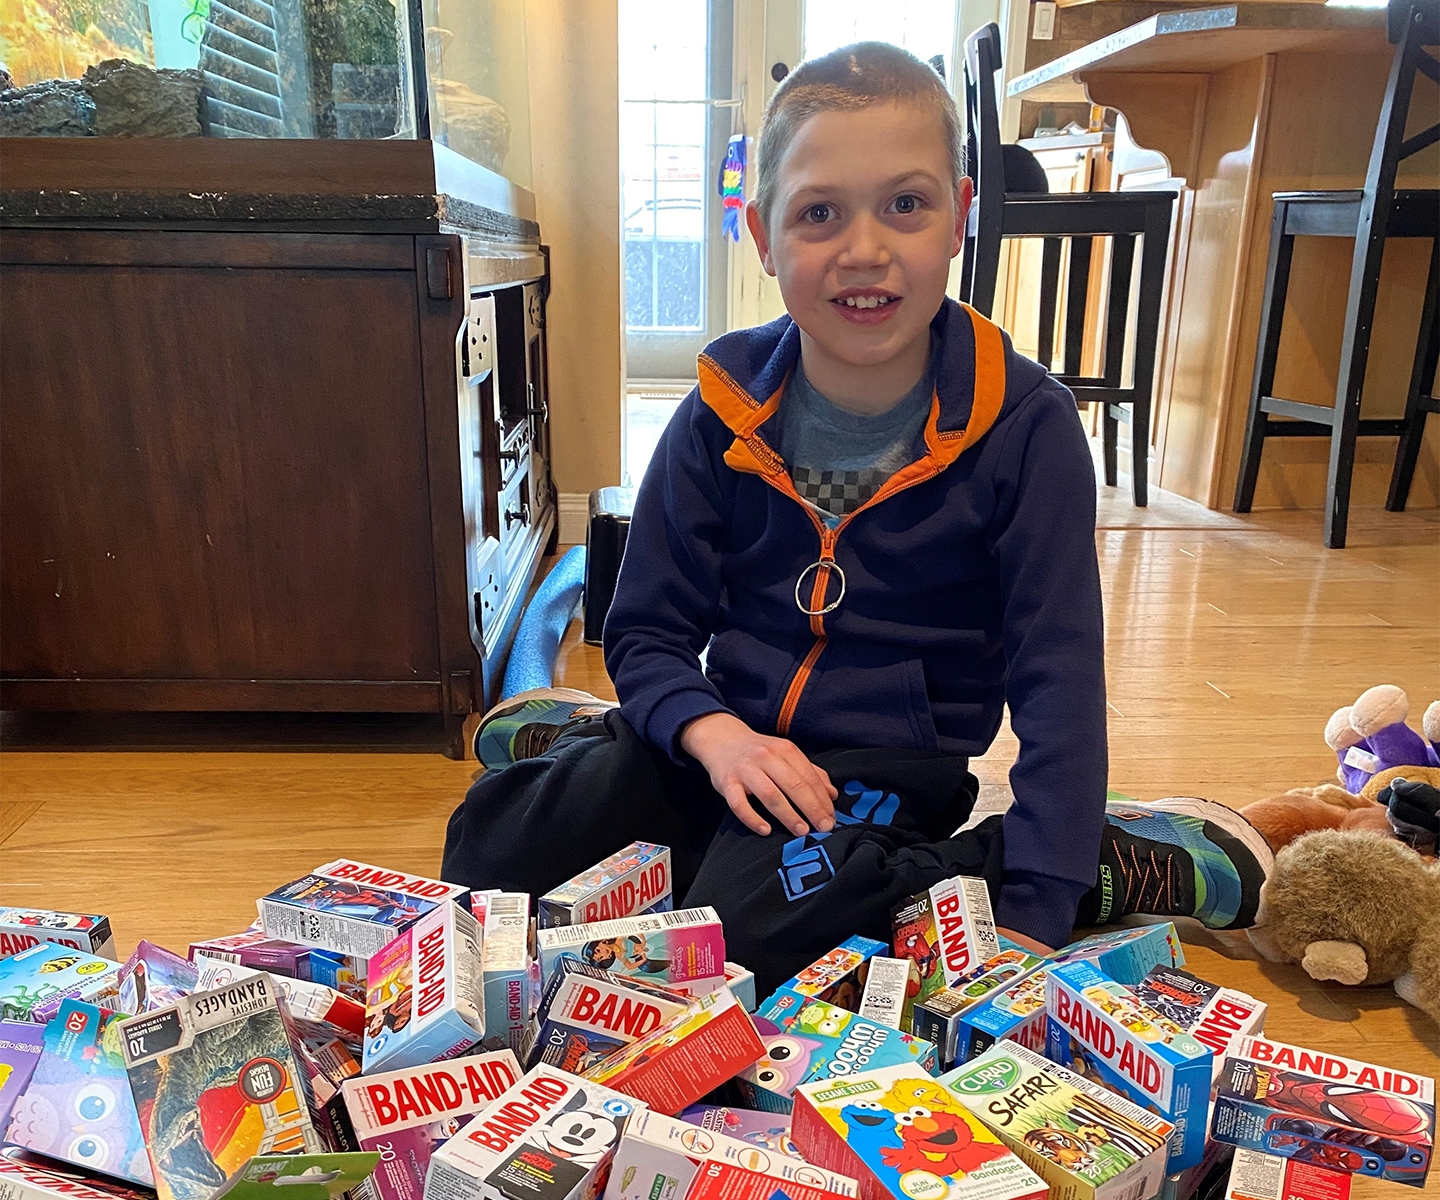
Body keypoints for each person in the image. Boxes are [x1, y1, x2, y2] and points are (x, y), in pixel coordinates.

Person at [442, 42, 1270, 994]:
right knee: (483, 855)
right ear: (762, 235)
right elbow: (647, 629)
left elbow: (1060, 682)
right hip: (732, 733)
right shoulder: (720, 407)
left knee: (741, 944)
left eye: (905, 204)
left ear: (961, 215)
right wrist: (709, 733)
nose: (865, 248)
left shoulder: (1025, 430)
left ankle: (1115, 856)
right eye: (820, 213)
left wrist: (1041, 894)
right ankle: (606, 747)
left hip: (884, 770)